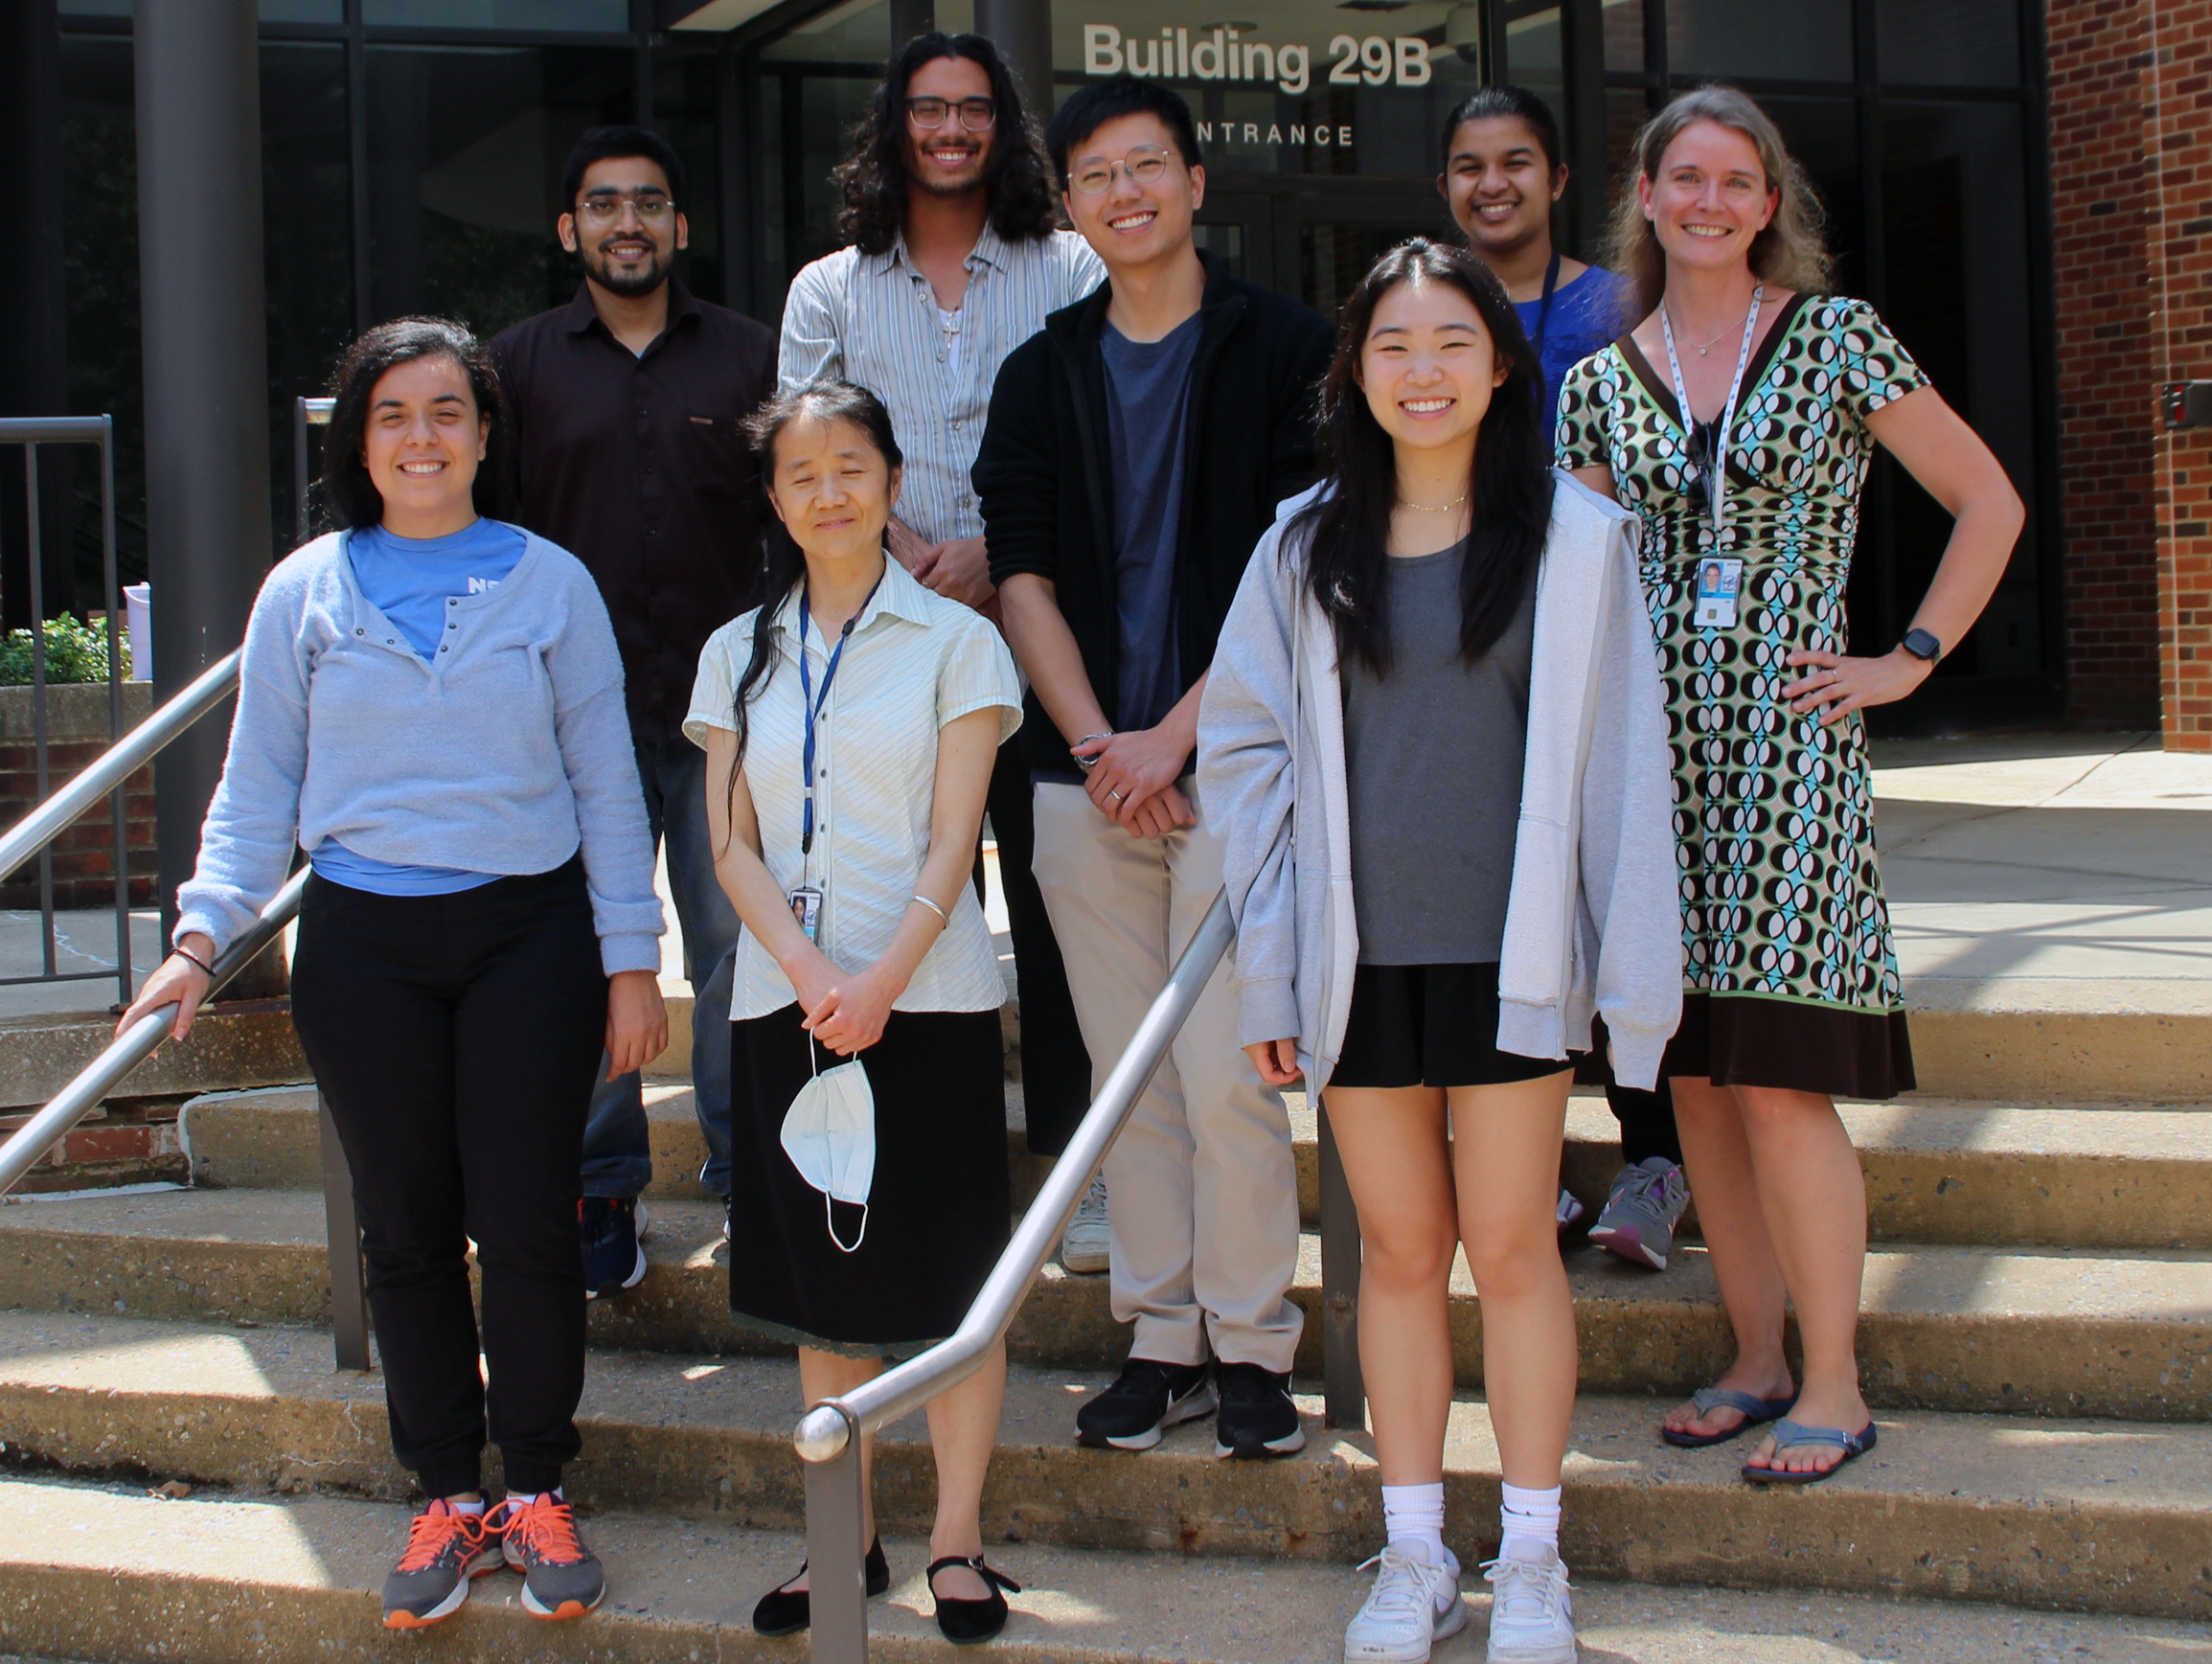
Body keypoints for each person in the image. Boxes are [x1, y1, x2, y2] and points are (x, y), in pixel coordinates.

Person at [123, 318, 668, 1630]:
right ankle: (443, 1489)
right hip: (363, 944)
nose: (420, 437)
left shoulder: (552, 584)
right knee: (404, 1231)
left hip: (527, 937)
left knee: (531, 1218)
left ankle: (535, 1482)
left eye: (445, 411)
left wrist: (630, 961)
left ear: (485, 432)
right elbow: (257, 791)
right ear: (355, 442)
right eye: (390, 415)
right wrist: (203, 934)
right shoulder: (303, 590)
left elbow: (607, 784)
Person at [1200, 239, 1678, 1664]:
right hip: (1361, 964)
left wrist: (1625, 978)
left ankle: (1533, 1553)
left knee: (1514, 1248)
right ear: (1354, 369)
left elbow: (1623, 771)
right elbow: (1246, 758)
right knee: (1400, 1255)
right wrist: (1274, 967)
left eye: (1452, 344)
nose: (1423, 372)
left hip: (1512, 957)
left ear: (1500, 367)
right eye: (1395, 346)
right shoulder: (1299, 546)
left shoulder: (1577, 541)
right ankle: (1415, 1552)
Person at [1558, 85, 2023, 1481]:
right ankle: (1754, 1356)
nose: (1707, 201)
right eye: (1683, 177)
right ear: (1645, 195)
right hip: (1648, 760)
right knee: (1692, 1079)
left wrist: (1910, 657)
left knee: (1776, 1086)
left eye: (1736, 181)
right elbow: (1573, 582)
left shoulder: (1831, 339)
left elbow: (1988, 500)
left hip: (1783, 751)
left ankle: (1836, 1378)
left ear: (1770, 206)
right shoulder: (1596, 379)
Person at [974, 72, 1335, 1460]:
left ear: (1193, 181)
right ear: (1069, 208)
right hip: (1081, 783)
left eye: (1146, 167)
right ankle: (1162, 1334)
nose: (1123, 194)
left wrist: (1174, 737)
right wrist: (1095, 745)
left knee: (1229, 1071)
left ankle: (1252, 1343)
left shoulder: (1289, 346)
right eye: (1094, 178)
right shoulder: (1042, 369)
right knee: (1126, 1079)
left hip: (1235, 772)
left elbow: (1292, 566)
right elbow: (1023, 575)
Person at [692, 381, 1025, 1646]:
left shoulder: (957, 642)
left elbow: (957, 837)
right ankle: (846, 1536)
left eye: (851, 466)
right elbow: (732, 846)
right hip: (787, 1004)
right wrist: (809, 967)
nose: (828, 491)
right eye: (800, 473)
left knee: (947, 1284)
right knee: (821, 1291)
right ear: (773, 498)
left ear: (891, 480)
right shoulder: (739, 649)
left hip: (926, 1001)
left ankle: (955, 1544)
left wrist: (880, 975)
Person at [777, 34, 1107, 1271]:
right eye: (929, 110)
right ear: (895, 125)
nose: (952, 131)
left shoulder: (1069, 264)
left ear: (1002, 128)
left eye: (974, 111)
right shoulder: (830, 289)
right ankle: (927, 1167)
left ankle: (1079, 1175)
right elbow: (809, 449)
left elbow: (1096, 430)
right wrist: (922, 550)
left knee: (1056, 904)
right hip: (887, 637)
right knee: (907, 905)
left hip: (1041, 631)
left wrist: (997, 554)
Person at [489, 125, 777, 1295]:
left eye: (648, 203)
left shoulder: (753, 361)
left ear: (680, 227)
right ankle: (599, 1185)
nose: (626, 222)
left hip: (721, 719)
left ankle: (741, 1169)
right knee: (583, 961)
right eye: (603, 204)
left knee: (733, 951)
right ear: (570, 230)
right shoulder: (511, 370)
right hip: (566, 726)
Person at [1442, 83, 1689, 1269]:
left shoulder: (1619, 310)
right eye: (1467, 166)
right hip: (1474, 657)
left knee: (1609, 891)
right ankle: (1525, 1172)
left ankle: (1654, 1159)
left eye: (1514, 162)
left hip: (1600, 641)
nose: (1491, 183)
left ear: (1552, 179)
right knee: (1499, 913)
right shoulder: (1431, 311)